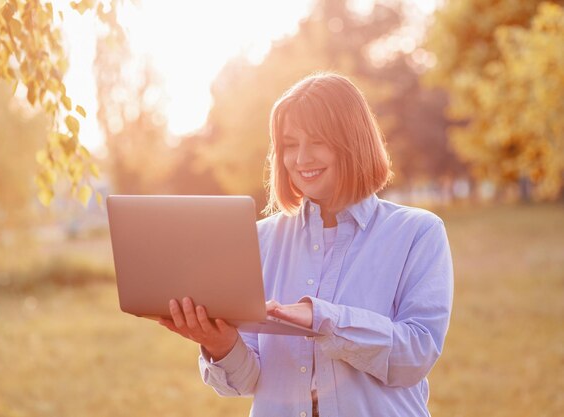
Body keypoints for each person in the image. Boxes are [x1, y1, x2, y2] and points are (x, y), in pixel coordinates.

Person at [158, 72, 453, 417]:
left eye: (316, 141)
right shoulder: (260, 239)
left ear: (352, 141)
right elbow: (246, 381)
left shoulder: (417, 232)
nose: (301, 159)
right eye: (289, 145)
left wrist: (322, 319)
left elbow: (415, 356)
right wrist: (219, 343)